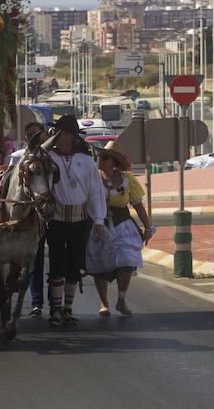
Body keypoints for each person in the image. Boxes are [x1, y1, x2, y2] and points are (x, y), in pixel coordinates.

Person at [45, 114, 107, 327]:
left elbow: (96, 193)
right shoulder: (48, 159)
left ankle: (68, 309)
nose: (63, 138)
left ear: (73, 137)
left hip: (80, 220)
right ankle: (55, 309)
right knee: (56, 263)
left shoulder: (86, 162)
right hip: (55, 219)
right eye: (59, 133)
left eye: (67, 134)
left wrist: (99, 220)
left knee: (74, 265)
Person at [91, 140, 154, 317]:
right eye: (99, 157)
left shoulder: (127, 179)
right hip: (99, 225)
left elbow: (138, 206)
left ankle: (121, 299)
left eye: (105, 158)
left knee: (127, 260)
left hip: (123, 224)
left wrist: (148, 227)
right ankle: (104, 303)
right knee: (100, 265)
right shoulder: (93, 178)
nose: (100, 160)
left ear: (114, 162)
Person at [8, 121, 49, 316]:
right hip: (15, 216)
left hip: (40, 214)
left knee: (36, 260)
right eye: (31, 135)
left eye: (38, 135)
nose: (35, 138)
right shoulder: (16, 158)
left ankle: (37, 302)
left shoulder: (49, 159)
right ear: (26, 139)